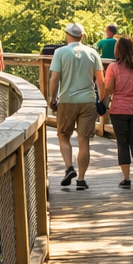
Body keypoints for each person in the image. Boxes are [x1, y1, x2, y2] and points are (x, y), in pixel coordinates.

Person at [48, 21, 103, 190]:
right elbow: (101, 80)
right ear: (82, 36)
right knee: (83, 140)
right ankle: (81, 179)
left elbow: (54, 78)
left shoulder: (60, 52)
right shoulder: (92, 53)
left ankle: (68, 167)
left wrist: (52, 98)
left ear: (67, 35)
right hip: (88, 101)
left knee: (63, 135)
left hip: (67, 101)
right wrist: (102, 101)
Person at [101, 35, 133, 188]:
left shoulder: (113, 67)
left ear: (119, 50)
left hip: (119, 110)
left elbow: (109, 89)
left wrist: (103, 95)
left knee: (122, 144)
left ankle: (126, 179)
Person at [95, 25, 119, 135]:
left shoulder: (103, 41)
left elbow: (96, 50)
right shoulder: (117, 42)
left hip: (104, 67)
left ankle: (102, 106)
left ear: (108, 31)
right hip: (116, 68)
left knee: (103, 86)